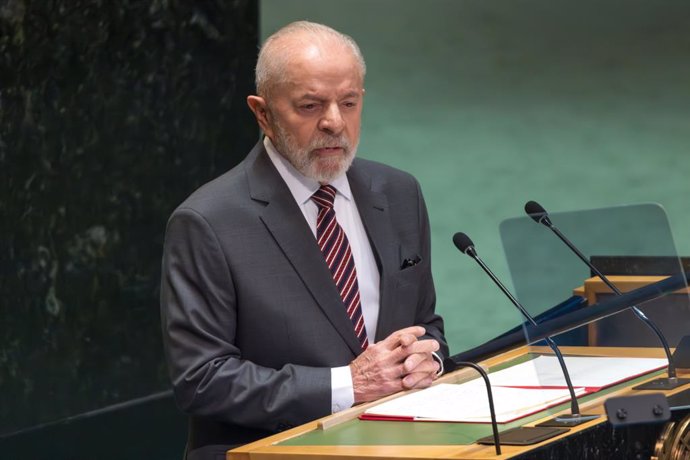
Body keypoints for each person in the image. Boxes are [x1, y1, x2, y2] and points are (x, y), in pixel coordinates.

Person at [160, 21, 448, 460]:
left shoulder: (399, 193)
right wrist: (348, 385)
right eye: (310, 106)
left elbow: (426, 325)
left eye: (348, 103)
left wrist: (428, 360)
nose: (334, 122)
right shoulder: (208, 221)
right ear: (262, 113)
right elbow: (202, 379)